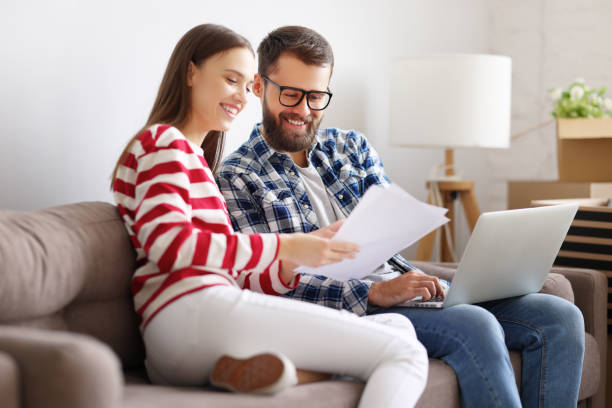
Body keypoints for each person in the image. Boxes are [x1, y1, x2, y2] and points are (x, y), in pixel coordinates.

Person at [215, 25, 585, 408]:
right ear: (259, 86)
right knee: (474, 325)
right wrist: (374, 291)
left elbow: (392, 227)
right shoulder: (237, 176)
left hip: (402, 289)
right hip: (348, 309)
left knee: (559, 316)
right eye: (291, 94)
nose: (304, 111)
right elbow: (266, 283)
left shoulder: (352, 147)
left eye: (316, 96)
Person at [111, 23, 428, 407]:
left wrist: (298, 257)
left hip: (192, 342)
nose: (242, 97)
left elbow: (239, 271)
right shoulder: (163, 141)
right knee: (404, 352)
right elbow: (170, 247)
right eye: (231, 79)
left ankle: (283, 374)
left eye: (246, 86)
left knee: (398, 326)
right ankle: (295, 371)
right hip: (191, 314)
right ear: (190, 72)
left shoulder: (196, 161)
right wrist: (284, 244)